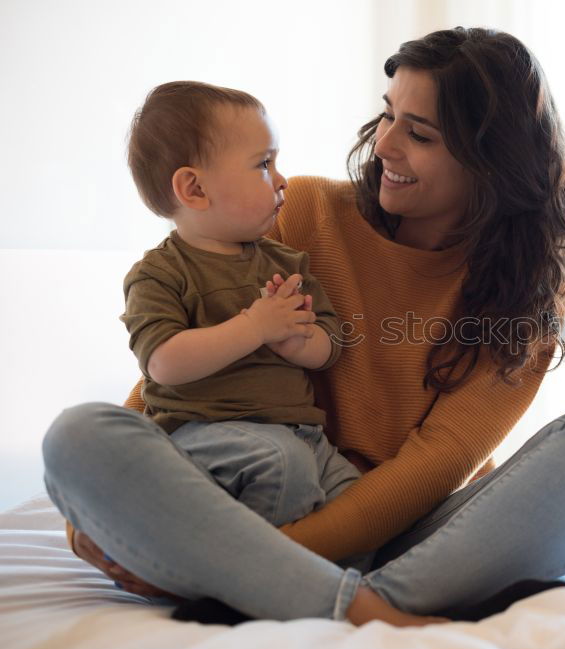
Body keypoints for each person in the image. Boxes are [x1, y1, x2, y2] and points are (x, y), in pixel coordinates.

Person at [41, 27, 565, 628]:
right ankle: (355, 604)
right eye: (388, 114)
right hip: (244, 510)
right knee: (80, 435)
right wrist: (101, 515)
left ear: (490, 164)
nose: (385, 145)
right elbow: (169, 392)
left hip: (401, 536)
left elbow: (433, 467)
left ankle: (305, 596)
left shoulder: (520, 305)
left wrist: (258, 560)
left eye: (418, 133)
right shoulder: (299, 216)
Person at [101, 82, 374, 560]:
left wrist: (298, 343)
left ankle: (332, 589)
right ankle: (239, 579)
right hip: (206, 435)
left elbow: (332, 344)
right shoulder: (160, 273)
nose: (281, 178)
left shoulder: (288, 262)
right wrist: (254, 328)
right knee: (280, 464)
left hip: (303, 435)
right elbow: (162, 364)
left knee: (360, 512)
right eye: (263, 164)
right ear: (195, 189)